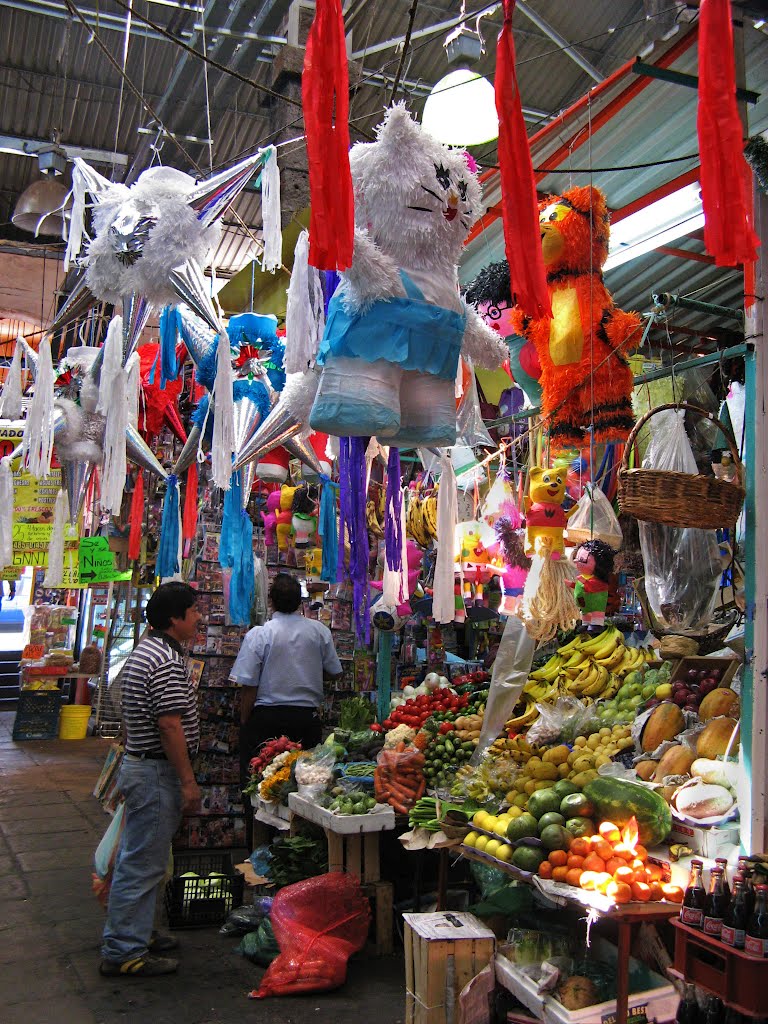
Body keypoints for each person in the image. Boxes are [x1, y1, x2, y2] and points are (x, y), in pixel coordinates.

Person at [100, 582, 202, 978]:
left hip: (146, 770)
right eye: (193, 611)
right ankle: (123, 949)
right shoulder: (162, 659)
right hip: (156, 772)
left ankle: (134, 932)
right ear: (174, 618)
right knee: (141, 863)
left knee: (144, 858)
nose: (198, 618)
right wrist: (188, 781)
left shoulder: (151, 650)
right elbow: (169, 725)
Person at [231, 573, 342, 835]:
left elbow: (248, 686)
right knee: (307, 786)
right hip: (306, 721)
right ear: (300, 602)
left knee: (258, 784)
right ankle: (304, 842)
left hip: (266, 720)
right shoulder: (319, 632)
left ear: (271, 601)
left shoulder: (260, 634)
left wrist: (245, 723)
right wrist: (310, 670)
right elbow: (335, 672)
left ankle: (260, 841)